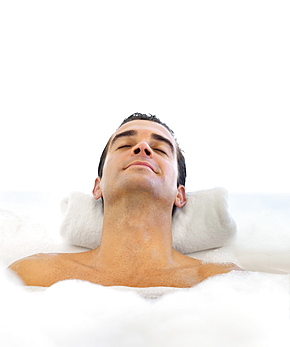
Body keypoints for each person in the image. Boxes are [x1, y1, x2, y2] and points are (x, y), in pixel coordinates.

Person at [9, 113, 242, 287]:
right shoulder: (33, 273)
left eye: (160, 149)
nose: (142, 147)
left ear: (179, 195)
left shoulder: (222, 282)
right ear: (98, 186)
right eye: (125, 145)